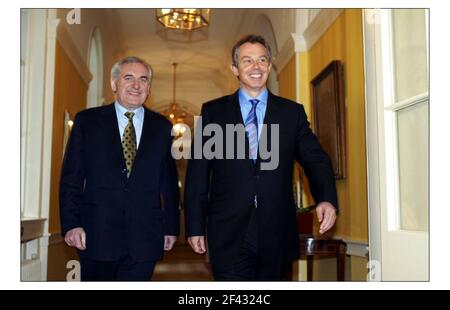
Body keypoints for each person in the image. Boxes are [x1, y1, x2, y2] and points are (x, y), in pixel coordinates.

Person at [184, 35, 338, 281]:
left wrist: (326, 198)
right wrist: (194, 226)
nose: (255, 67)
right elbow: (198, 174)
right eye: (247, 61)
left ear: (269, 66)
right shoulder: (214, 112)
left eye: (262, 60)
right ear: (235, 69)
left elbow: (315, 159)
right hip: (228, 230)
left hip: (276, 230)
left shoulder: (291, 113)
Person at [60, 56, 179, 281]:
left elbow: (169, 182)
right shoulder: (87, 121)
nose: (136, 85)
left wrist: (171, 226)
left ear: (149, 88)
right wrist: (71, 224)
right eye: (129, 78)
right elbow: (71, 178)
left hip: (145, 237)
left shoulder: (163, 127)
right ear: (114, 84)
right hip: (96, 235)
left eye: (143, 79)